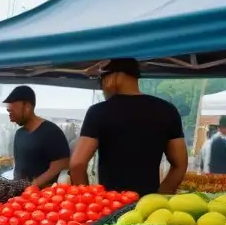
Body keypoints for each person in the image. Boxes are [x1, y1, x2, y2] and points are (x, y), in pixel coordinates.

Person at [70, 59, 187, 194]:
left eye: (101, 80)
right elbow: (180, 164)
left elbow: (77, 164)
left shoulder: (98, 112)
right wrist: (161, 195)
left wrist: (88, 199)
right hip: (149, 207)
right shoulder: (167, 110)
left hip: (112, 205)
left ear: (113, 77)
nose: (102, 88)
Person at [4, 86, 72, 187]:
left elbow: (61, 164)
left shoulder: (51, 131)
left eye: (12, 112)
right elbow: (19, 167)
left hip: (43, 197)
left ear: (27, 106)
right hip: (20, 195)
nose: (11, 119)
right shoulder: (19, 134)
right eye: (9, 113)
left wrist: (33, 186)